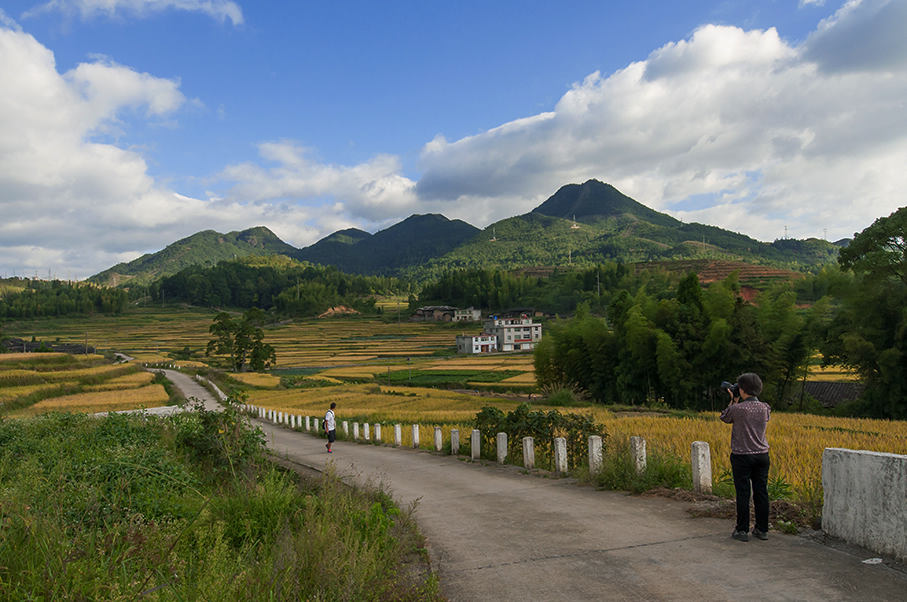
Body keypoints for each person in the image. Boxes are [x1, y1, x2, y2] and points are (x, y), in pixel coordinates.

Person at [719, 372, 771, 542]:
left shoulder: (737, 409)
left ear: (741, 390)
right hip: (762, 455)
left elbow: (724, 417)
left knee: (743, 493)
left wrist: (733, 399)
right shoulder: (765, 408)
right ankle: (762, 530)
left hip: (742, 456)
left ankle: (742, 531)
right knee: (761, 492)